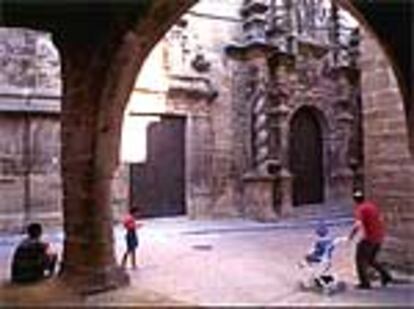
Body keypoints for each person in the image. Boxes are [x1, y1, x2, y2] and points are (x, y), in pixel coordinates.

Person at [348, 190, 392, 289]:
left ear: (355, 200)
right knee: (371, 260)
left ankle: (365, 283)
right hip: (379, 238)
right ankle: (386, 275)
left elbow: (358, 224)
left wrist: (351, 236)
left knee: (360, 259)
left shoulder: (361, 209)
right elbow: (380, 219)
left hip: (369, 239)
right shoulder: (372, 206)